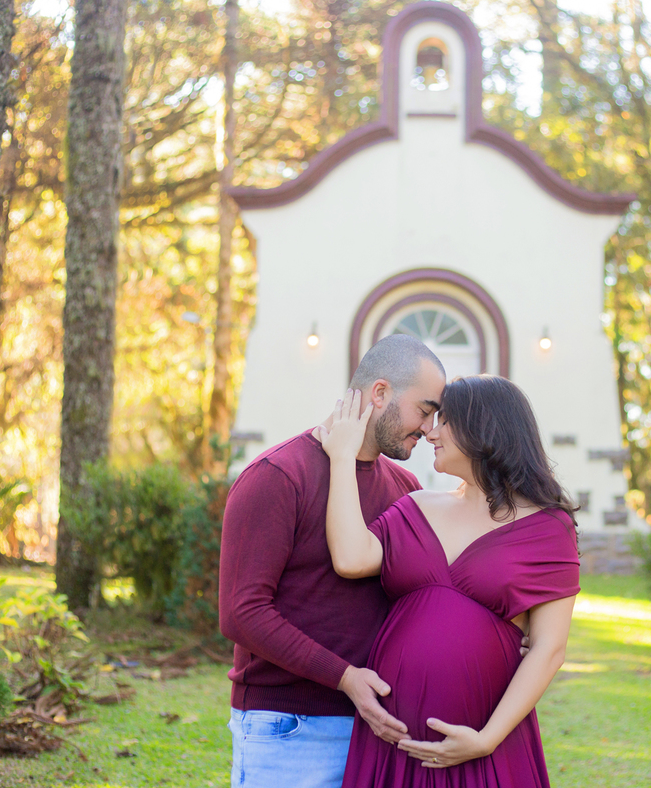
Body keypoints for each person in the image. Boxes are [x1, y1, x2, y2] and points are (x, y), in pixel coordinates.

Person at [318, 374, 580, 787]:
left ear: (483, 429)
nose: (430, 432)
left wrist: (486, 740)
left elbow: (549, 648)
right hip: (394, 734)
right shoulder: (417, 506)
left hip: (481, 737)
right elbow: (351, 558)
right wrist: (342, 457)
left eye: (444, 421)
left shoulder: (549, 527)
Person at [218, 334, 447, 788]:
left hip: (379, 730)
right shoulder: (278, 476)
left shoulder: (405, 488)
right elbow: (241, 613)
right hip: (288, 729)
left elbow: (423, 596)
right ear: (380, 393)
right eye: (424, 410)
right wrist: (344, 678)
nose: (429, 428)